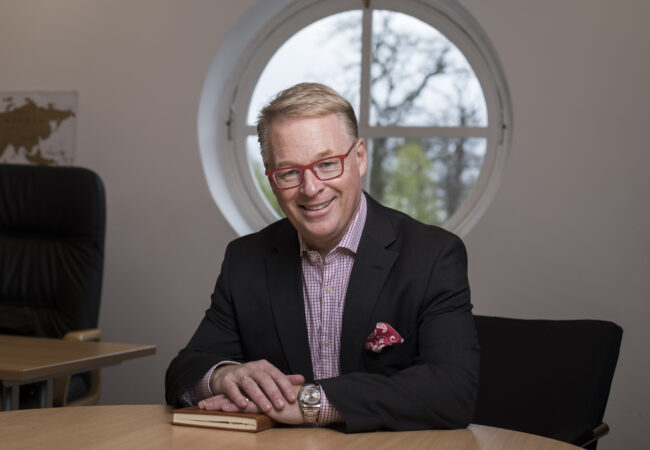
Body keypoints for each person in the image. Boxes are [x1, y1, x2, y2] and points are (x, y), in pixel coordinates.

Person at [165, 82, 479, 432]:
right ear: (272, 179)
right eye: (289, 172)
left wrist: (310, 402)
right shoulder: (246, 259)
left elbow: (453, 391)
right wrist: (225, 377)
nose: (311, 188)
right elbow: (184, 370)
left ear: (359, 158)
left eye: (327, 164)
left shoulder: (432, 255)